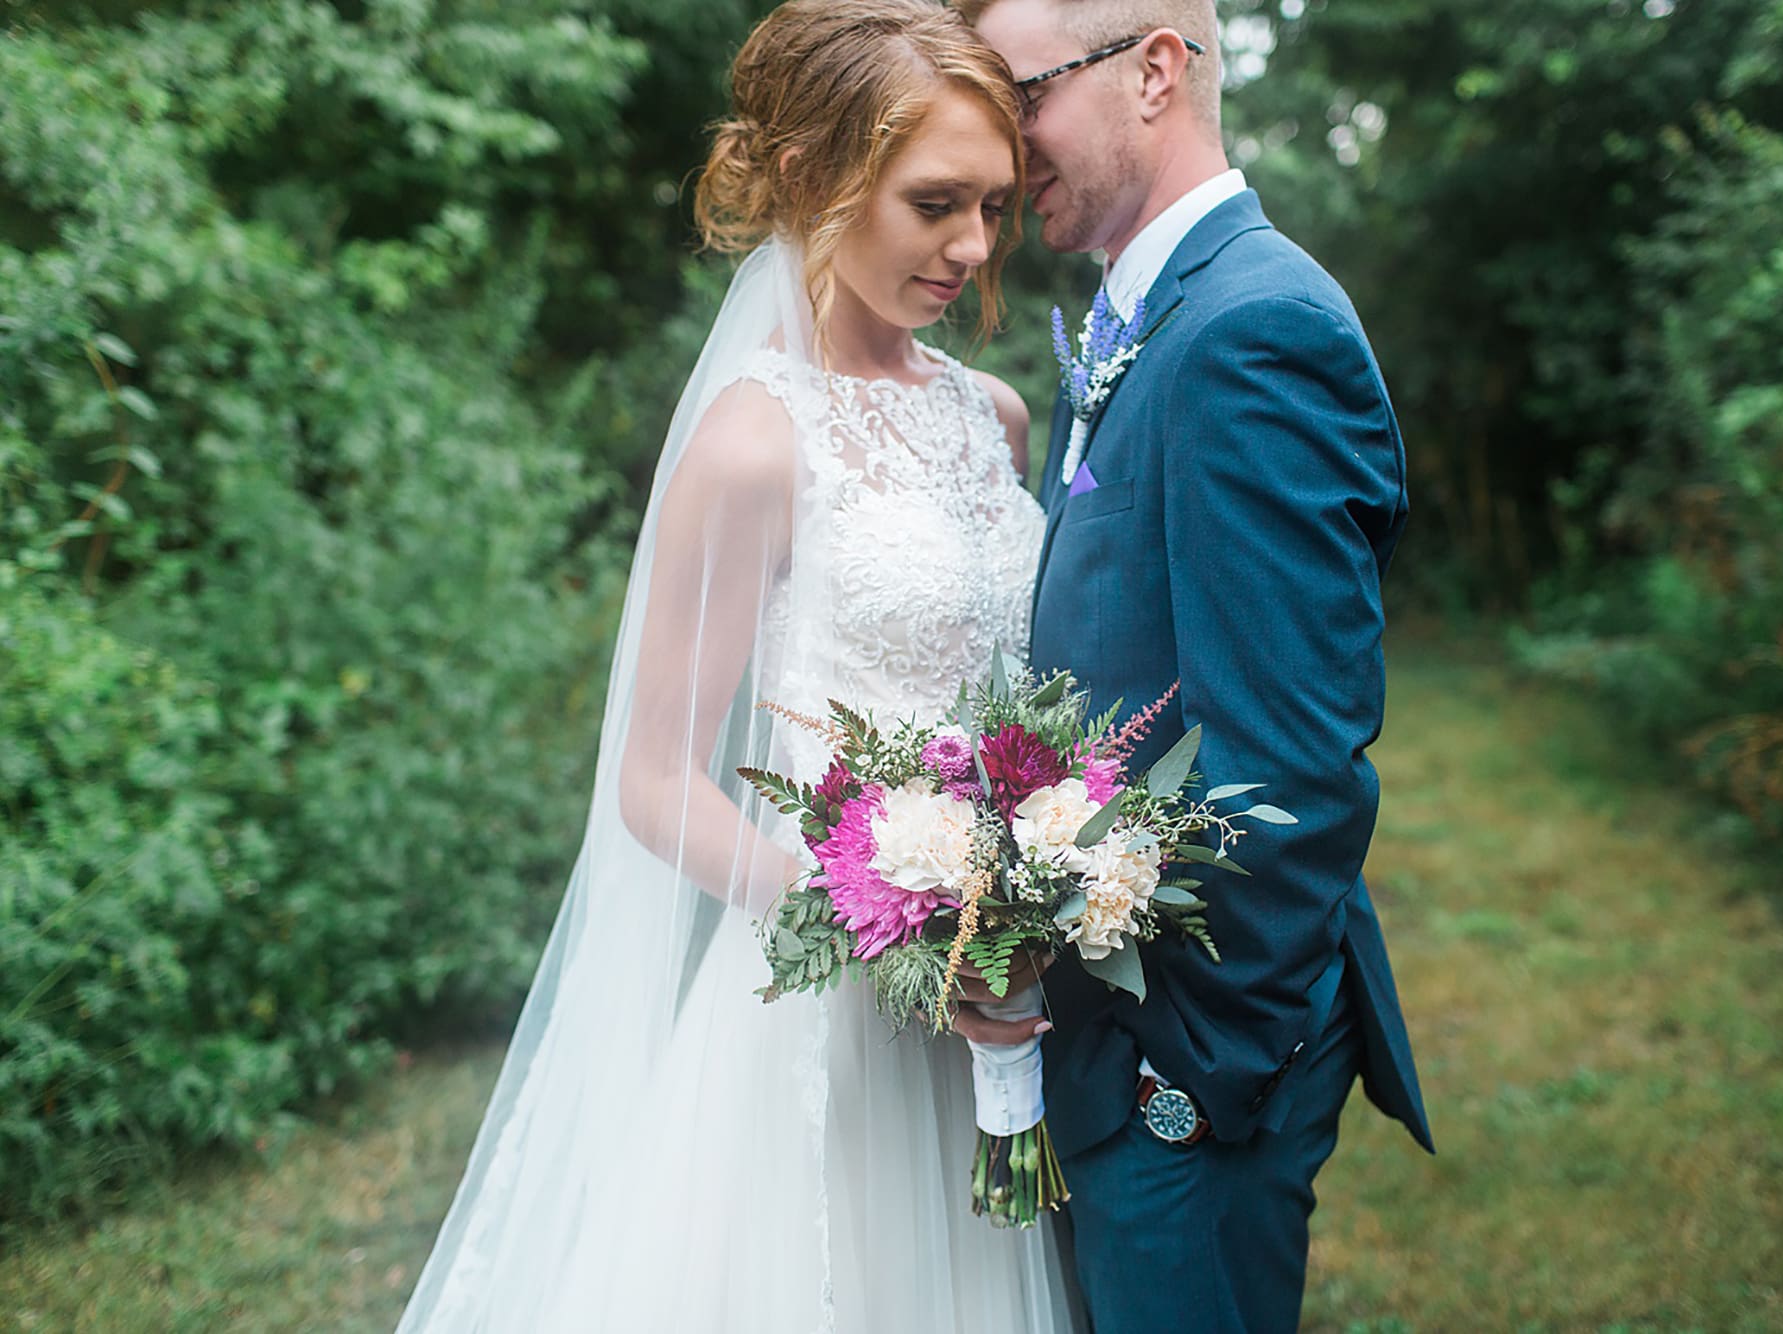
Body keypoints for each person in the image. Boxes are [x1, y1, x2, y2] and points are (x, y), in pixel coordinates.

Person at [395, 3, 1079, 1328]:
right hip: (827, 1011)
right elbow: (654, 777)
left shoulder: (991, 415)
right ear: (820, 178)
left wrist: (1037, 877)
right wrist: (888, 920)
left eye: (994, 205)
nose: (975, 246)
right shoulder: (754, 445)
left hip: (1000, 998)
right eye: (937, 202)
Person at [961, 2, 1436, 1331]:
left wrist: (1193, 1084)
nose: (1000, 149)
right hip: (1106, 1042)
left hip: (1186, 1073)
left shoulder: (1254, 327)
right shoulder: (1132, 317)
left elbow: (1288, 765)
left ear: (1154, 70)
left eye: (1021, 96)